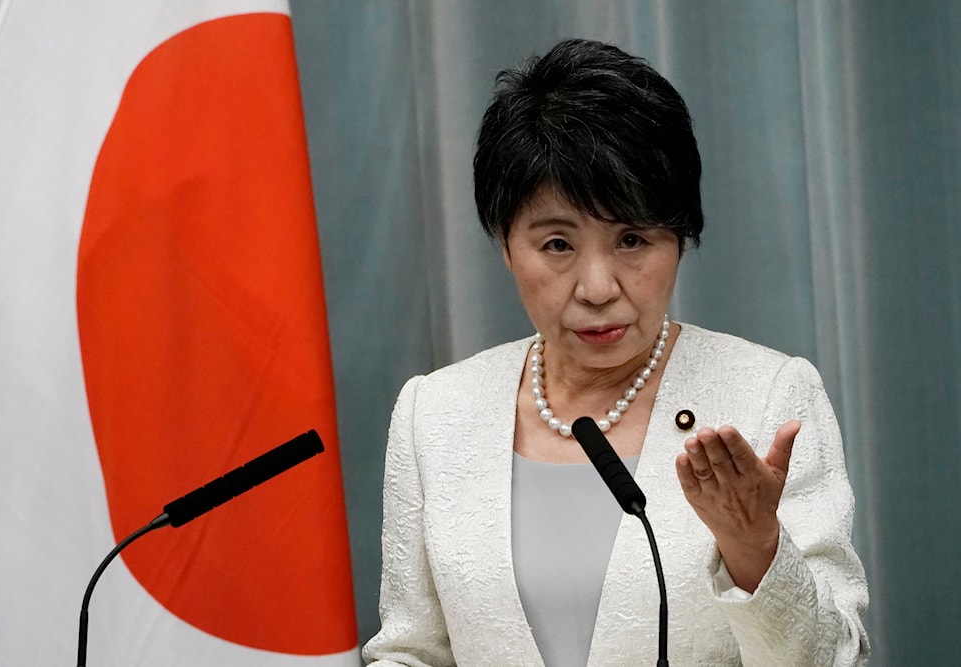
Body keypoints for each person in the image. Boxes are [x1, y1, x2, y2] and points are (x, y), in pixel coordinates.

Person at [362, 38, 869, 666]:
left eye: (632, 238)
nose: (598, 288)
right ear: (504, 244)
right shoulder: (432, 414)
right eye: (556, 244)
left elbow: (837, 659)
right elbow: (411, 652)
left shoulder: (768, 395)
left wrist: (755, 546)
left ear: (680, 237)